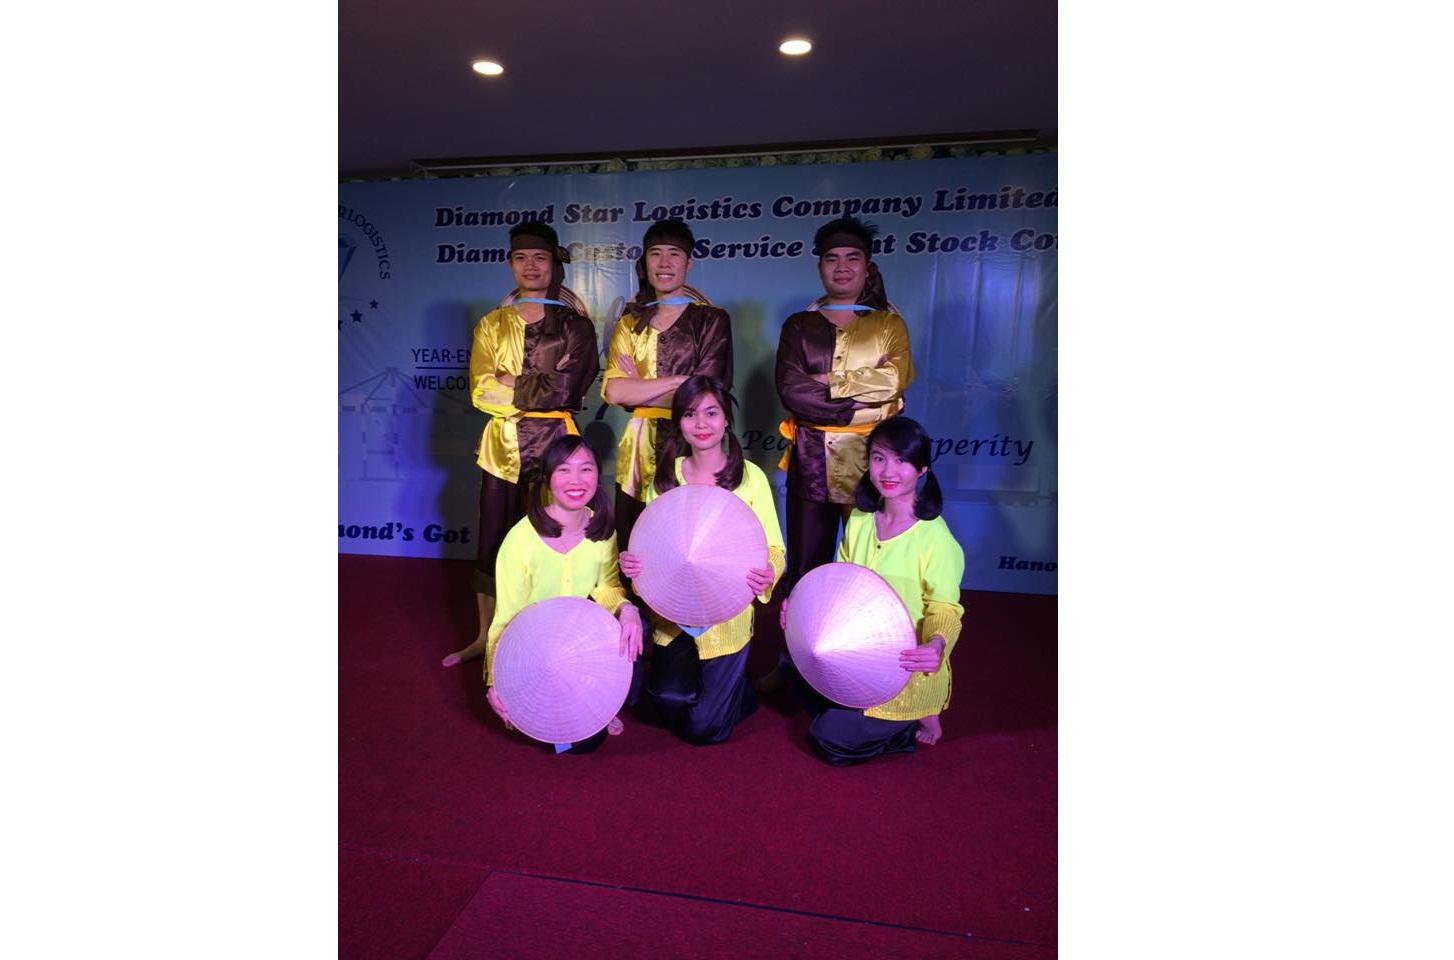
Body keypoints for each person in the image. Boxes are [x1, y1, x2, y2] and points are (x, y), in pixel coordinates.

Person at [443, 221, 602, 668]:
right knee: (493, 542)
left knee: (555, 540)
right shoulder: (491, 325)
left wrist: (513, 381)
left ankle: (550, 636)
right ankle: (487, 637)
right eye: (521, 258)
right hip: (502, 450)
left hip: (557, 448)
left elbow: (569, 390)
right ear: (510, 263)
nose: (531, 266)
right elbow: (481, 391)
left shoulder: (576, 326)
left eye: (540, 258)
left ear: (554, 264)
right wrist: (542, 384)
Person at [780, 416, 965, 766]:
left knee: (826, 738)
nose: (888, 471)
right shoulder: (861, 520)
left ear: (922, 469)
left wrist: (937, 644)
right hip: (859, 648)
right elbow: (840, 583)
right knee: (792, 660)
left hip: (904, 666)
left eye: (902, 460)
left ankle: (907, 723)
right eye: (879, 458)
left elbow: (945, 608)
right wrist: (799, 604)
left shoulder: (935, 538)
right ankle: (859, 712)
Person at [618, 375, 783, 745]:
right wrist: (635, 566)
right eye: (690, 414)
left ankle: (736, 690)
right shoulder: (664, 477)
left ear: (726, 419)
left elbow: (774, 547)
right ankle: (728, 688)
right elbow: (650, 547)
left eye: (711, 413)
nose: (701, 423)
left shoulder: (750, 477)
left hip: (727, 614)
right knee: (664, 701)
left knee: (703, 729)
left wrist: (770, 570)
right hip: (674, 613)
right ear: (679, 422)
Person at [774, 216, 914, 597]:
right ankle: (800, 636)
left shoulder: (889, 325)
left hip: (874, 462)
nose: (842, 267)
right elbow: (792, 392)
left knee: (871, 565)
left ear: (867, 267)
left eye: (853, 258)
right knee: (805, 567)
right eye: (832, 258)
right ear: (820, 267)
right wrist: (864, 404)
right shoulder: (798, 326)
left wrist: (832, 382)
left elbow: (894, 381)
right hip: (811, 460)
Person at [483, 434, 644, 753]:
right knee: (578, 741)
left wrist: (628, 608)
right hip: (533, 649)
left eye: (586, 469)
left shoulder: (602, 529)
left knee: (629, 662)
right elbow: (506, 616)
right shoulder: (520, 540)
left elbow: (607, 587)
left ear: (597, 475)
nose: (576, 480)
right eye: (564, 470)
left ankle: (599, 702)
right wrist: (495, 680)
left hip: (579, 640)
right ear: (547, 478)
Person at [601, 219, 733, 564]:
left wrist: (640, 387)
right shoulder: (629, 323)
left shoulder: (711, 320)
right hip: (638, 446)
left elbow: (706, 395)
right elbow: (614, 392)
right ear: (644, 262)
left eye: (674, 254)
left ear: (689, 263)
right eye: (655, 254)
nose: (664, 263)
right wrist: (679, 381)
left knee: (690, 543)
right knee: (635, 543)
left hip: (694, 443)